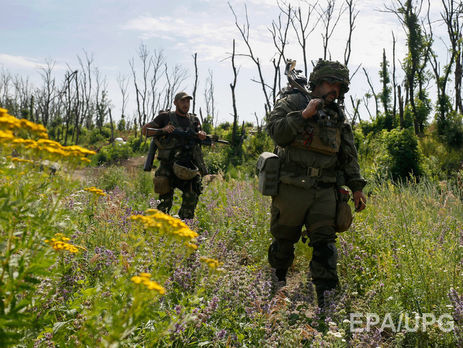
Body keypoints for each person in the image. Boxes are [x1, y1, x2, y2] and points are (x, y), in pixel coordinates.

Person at [266, 59, 367, 307]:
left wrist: (356, 187)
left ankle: (327, 303)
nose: (335, 91)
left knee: (326, 247)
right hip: (291, 188)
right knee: (283, 244)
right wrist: (302, 116)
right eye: (331, 84)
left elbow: (348, 154)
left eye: (340, 87)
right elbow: (275, 131)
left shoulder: (337, 115)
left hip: (324, 191)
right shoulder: (293, 102)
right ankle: (276, 286)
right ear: (318, 82)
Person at [142, 92, 207, 220]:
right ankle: (160, 230)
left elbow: (200, 136)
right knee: (164, 202)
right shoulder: (165, 117)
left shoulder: (194, 120)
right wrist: (163, 130)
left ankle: (184, 226)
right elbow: (145, 131)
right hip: (168, 166)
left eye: (188, 101)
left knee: (192, 194)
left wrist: (201, 135)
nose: (185, 104)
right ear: (175, 103)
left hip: (188, 166)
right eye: (182, 101)